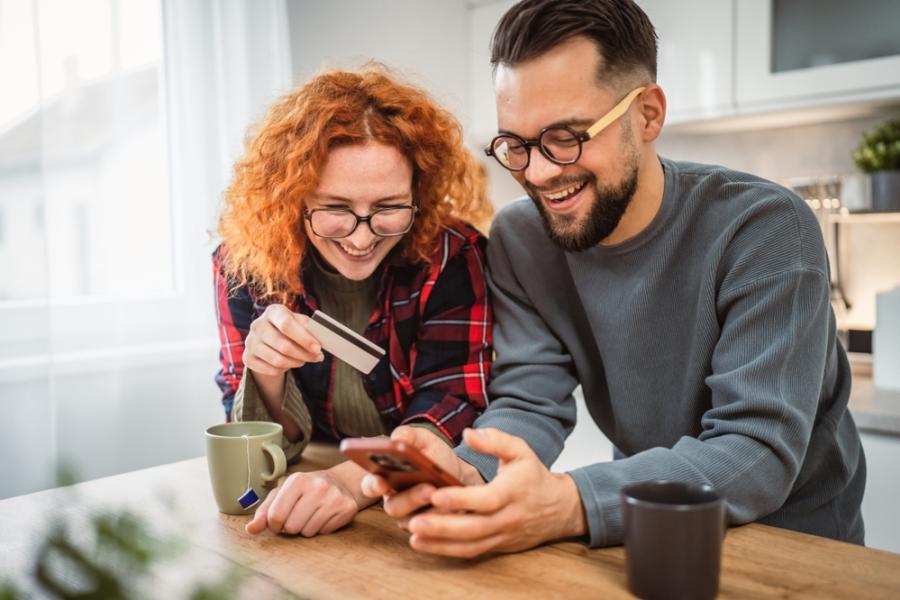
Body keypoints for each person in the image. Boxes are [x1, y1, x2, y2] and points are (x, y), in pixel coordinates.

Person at [362, 0, 865, 557]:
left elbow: (755, 453)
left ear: (647, 114)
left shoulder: (765, 230)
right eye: (516, 144)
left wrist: (571, 503)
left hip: (791, 545)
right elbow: (530, 401)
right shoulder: (521, 238)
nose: (540, 172)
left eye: (567, 136)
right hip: (642, 525)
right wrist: (468, 474)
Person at [213, 66, 493, 538]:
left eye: (388, 208)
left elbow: (454, 411)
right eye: (335, 210)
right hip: (306, 493)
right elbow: (257, 450)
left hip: (407, 502)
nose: (362, 238)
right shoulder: (243, 265)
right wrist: (266, 374)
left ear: (418, 194)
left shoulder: (452, 256)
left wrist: (351, 482)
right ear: (292, 199)